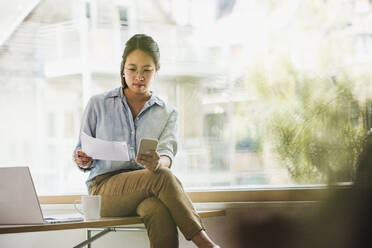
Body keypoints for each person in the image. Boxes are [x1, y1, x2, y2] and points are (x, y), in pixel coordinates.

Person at [73, 34, 220, 248]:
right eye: (132, 69)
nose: (139, 76)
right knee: (162, 178)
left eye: (146, 70)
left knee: (158, 210)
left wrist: (157, 163)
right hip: (104, 191)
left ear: (156, 71)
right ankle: (207, 245)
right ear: (123, 69)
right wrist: (83, 159)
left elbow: (167, 154)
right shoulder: (98, 104)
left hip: (147, 187)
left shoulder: (167, 112)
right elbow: (81, 151)